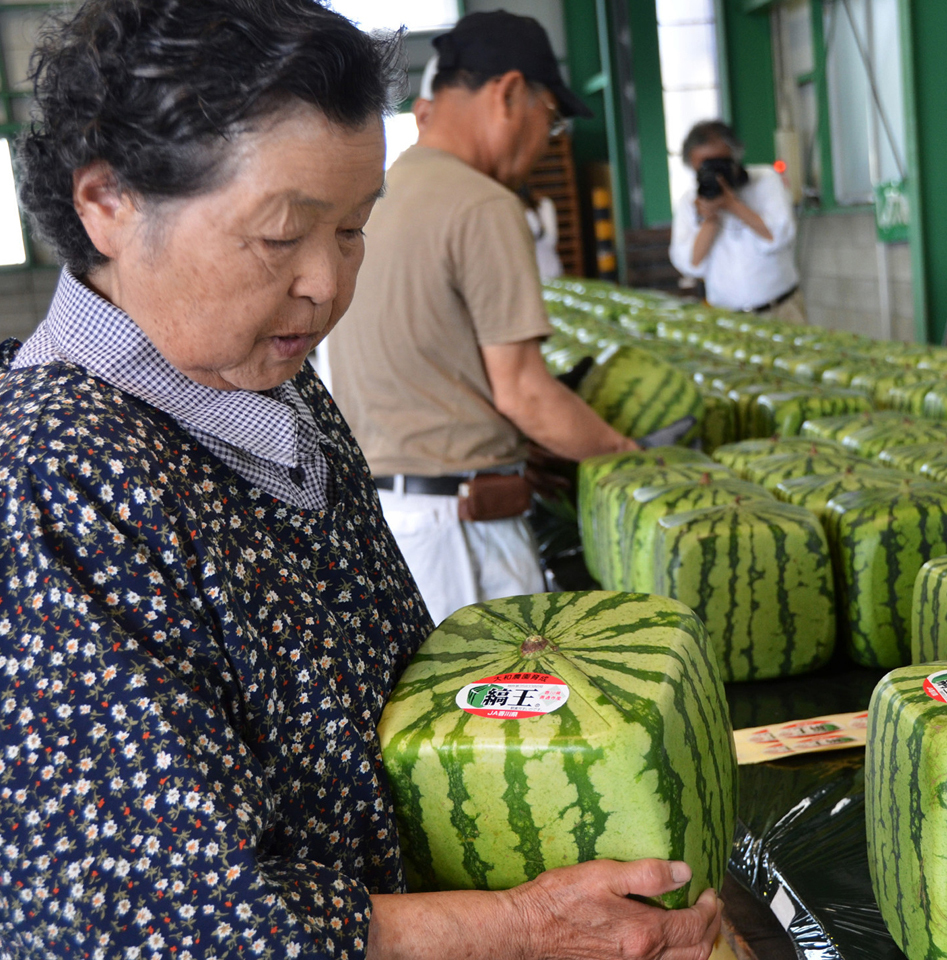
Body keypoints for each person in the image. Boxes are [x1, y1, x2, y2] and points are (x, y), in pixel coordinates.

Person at [0, 2, 720, 958]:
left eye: (351, 231)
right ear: (109, 204)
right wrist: (519, 927)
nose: (326, 284)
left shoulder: (276, 389)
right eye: (283, 234)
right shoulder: (53, 479)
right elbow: (176, 921)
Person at [327, 11, 637, 623]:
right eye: (550, 119)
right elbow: (525, 392)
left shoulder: (383, 194)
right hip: (462, 537)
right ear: (509, 93)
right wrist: (627, 455)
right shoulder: (483, 204)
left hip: (392, 526)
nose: (548, 139)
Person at [669, 121, 803, 322]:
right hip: (727, 318)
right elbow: (691, 263)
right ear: (692, 164)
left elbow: (779, 236)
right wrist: (710, 220)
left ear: (734, 156)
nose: (713, 173)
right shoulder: (689, 202)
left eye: (718, 163)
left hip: (781, 310)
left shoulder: (765, 180)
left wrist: (732, 204)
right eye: (704, 167)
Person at [521, 186, 564, 281]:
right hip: (525, 274)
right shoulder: (509, 208)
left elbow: (550, 240)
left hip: (548, 270)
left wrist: (530, 213)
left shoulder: (543, 204)